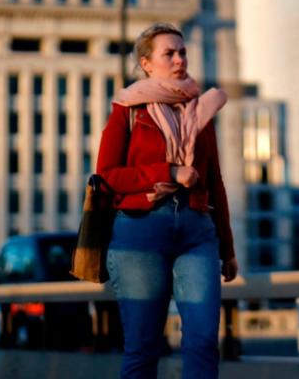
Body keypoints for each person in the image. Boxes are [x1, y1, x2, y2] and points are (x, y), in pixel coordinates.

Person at [96, 23, 238, 379]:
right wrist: (169, 172)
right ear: (146, 63)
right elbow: (108, 174)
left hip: (197, 231)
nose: (179, 60)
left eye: (183, 52)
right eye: (169, 53)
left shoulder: (200, 111)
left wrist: (228, 247)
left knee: (204, 341)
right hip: (140, 232)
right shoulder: (128, 109)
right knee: (144, 349)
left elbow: (215, 180)